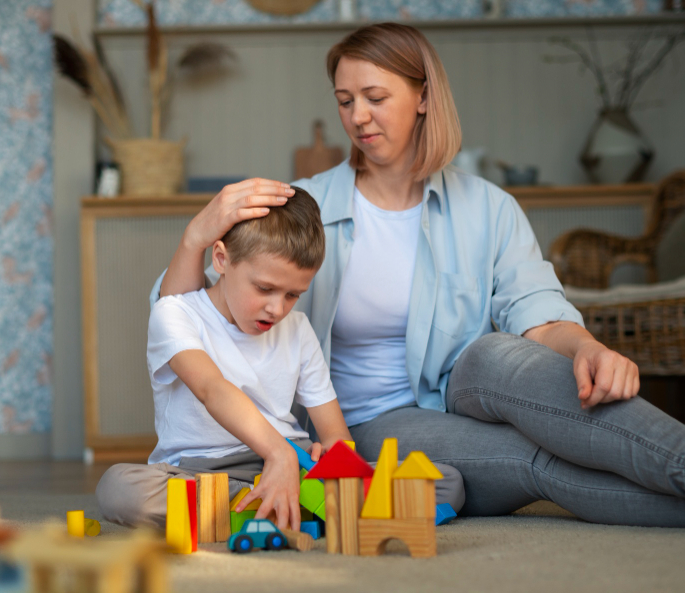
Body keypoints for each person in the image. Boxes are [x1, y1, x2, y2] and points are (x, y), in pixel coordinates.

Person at [147, 23, 685, 547]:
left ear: (423, 98)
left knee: (499, 353)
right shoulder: (302, 204)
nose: (358, 116)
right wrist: (194, 230)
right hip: (366, 422)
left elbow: (535, 308)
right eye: (344, 101)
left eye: (375, 96)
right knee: (538, 460)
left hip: (468, 384)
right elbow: (184, 310)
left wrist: (584, 347)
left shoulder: (485, 206)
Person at [96, 187, 464, 531]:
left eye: (292, 295)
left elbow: (335, 431)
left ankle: (275, 505)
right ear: (222, 259)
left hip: (295, 460)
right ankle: (285, 506)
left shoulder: (299, 330)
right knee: (119, 488)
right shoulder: (174, 313)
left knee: (447, 483)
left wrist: (333, 460)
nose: (277, 308)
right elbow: (211, 388)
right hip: (202, 470)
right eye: (265, 289)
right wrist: (277, 454)